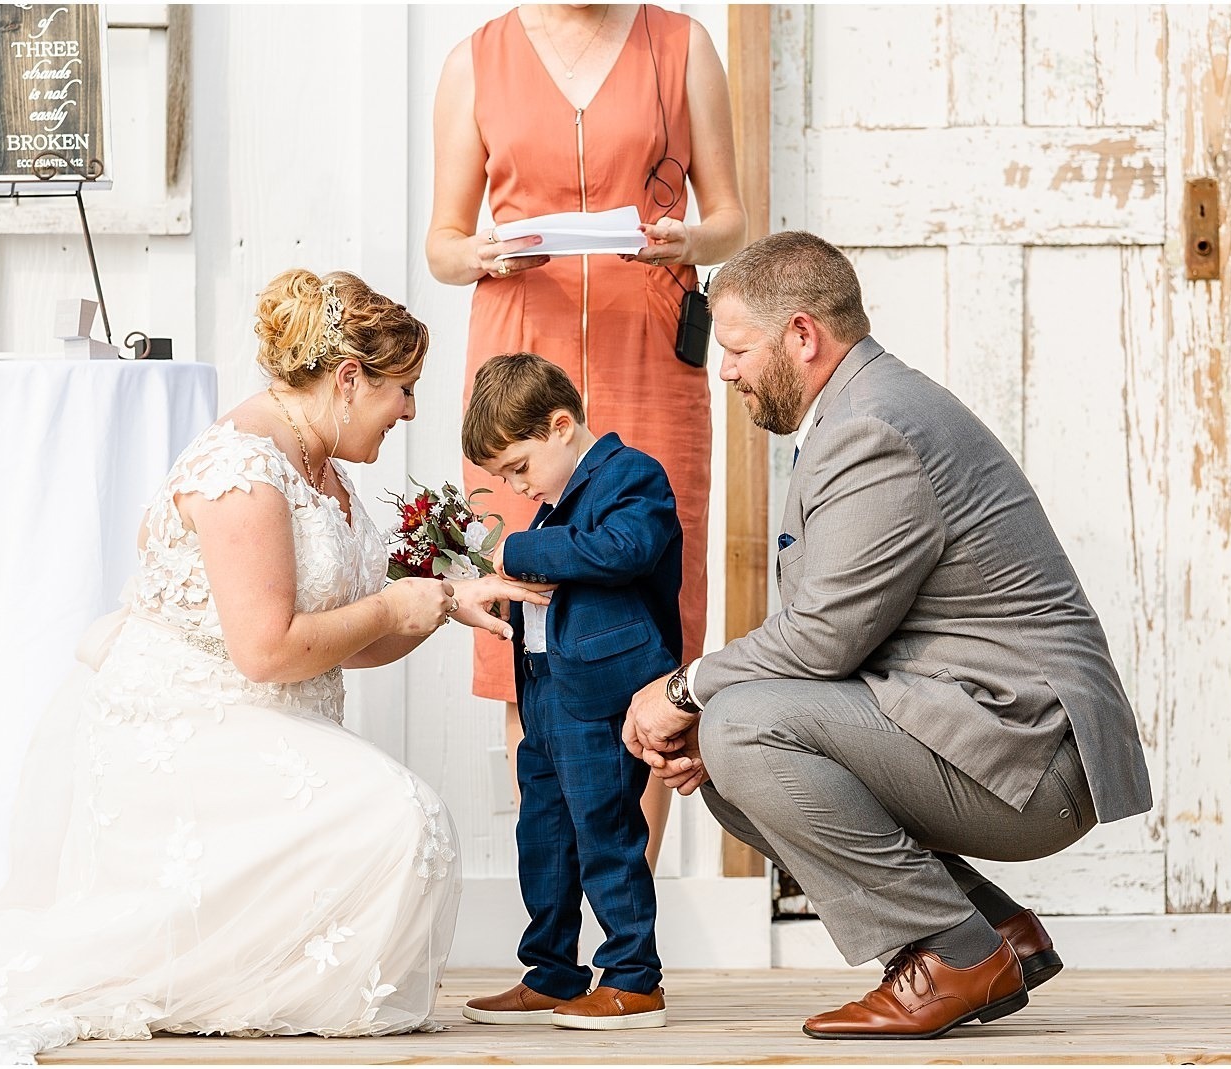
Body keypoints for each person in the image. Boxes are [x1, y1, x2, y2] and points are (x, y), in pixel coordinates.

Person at [0, 269, 549, 1063]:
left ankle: (258, 989)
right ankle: (235, 987)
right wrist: (390, 605)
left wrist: (446, 600)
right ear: (349, 379)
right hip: (189, 725)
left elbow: (354, 637)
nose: (409, 410)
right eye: (402, 390)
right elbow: (267, 648)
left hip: (269, 721)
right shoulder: (240, 470)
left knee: (402, 817)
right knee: (403, 817)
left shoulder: (327, 472)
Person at [624, 232, 1154, 1040]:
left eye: (735, 348)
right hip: (982, 728)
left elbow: (820, 643)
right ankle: (994, 930)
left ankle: (949, 953)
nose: (722, 368)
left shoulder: (872, 428)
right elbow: (835, 638)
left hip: (1033, 752)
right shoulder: (862, 409)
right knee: (730, 752)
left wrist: (682, 687)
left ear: (802, 335)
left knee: (736, 723)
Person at [427, 3, 746, 865]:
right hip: (518, 355)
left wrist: (687, 237)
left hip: (649, 350)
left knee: (652, 611)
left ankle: (628, 935)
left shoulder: (682, 45)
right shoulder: (474, 60)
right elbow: (443, 245)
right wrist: (484, 255)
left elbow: (731, 221)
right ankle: (554, 934)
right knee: (526, 619)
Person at [458, 353, 680, 1030]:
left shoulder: (631, 477)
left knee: (606, 828)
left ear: (560, 426)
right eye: (503, 478)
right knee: (543, 832)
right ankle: (553, 969)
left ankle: (634, 976)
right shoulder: (555, 504)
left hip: (601, 691)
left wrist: (520, 551)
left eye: (518, 468)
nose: (516, 487)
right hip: (545, 688)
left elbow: (623, 550)